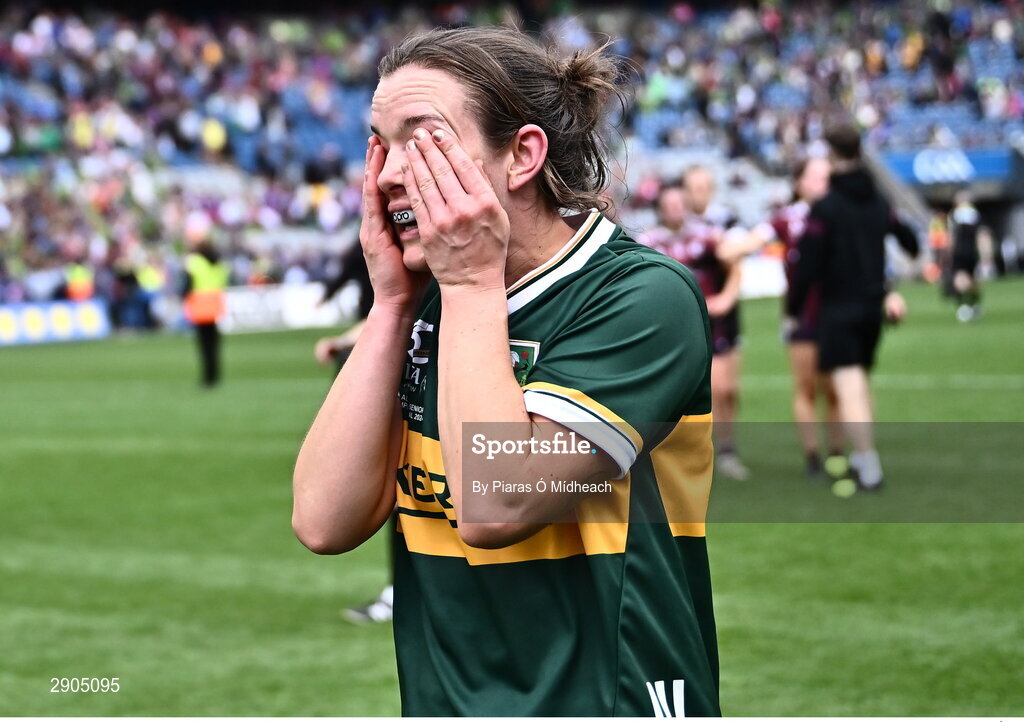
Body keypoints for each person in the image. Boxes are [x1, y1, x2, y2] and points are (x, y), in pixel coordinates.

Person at [293, 26, 721, 716]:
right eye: (380, 142)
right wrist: (392, 306)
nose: (391, 172)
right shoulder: (421, 298)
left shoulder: (641, 297)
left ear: (522, 154)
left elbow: (497, 503)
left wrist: (467, 288)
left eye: (423, 138)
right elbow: (322, 521)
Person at [787, 123, 919, 491]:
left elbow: (807, 267)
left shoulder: (826, 208)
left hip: (839, 309)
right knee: (859, 382)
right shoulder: (877, 199)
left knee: (849, 388)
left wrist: (794, 307)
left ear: (831, 155)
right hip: (872, 307)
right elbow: (909, 240)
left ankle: (868, 464)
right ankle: (862, 456)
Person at [679, 166, 770, 480]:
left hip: (722, 317)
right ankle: (695, 453)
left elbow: (735, 261)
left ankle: (728, 449)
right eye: (693, 187)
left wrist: (728, 297)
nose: (698, 193)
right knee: (699, 388)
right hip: (688, 318)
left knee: (727, 389)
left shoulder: (724, 220)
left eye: (704, 186)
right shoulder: (677, 224)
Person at [771, 156, 845, 478]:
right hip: (801, 313)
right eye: (816, 177)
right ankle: (813, 458)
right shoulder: (786, 218)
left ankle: (838, 454)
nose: (823, 183)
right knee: (806, 387)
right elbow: (750, 240)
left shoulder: (840, 214)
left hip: (836, 310)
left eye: (827, 177)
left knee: (836, 389)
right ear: (799, 182)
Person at [182, 241, 229, 387]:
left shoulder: (195, 263)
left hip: (200, 305)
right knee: (214, 343)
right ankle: (215, 375)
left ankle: (207, 377)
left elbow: (187, 283)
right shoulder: (220, 264)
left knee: (204, 345)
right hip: (215, 304)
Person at [948, 190, 982, 322]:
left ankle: (964, 305)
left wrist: (948, 253)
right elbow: (982, 235)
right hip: (972, 252)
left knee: (960, 279)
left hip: (959, 252)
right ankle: (973, 303)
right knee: (972, 279)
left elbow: (951, 237)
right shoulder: (975, 215)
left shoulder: (954, 215)